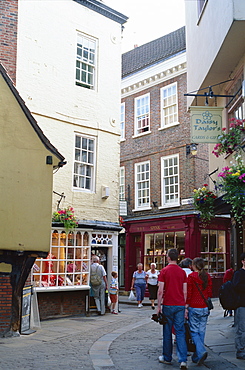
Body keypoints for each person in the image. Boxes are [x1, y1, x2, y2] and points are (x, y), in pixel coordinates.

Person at [157, 248, 188, 370]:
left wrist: (158, 306)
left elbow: (160, 291)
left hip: (168, 304)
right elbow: (185, 291)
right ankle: (183, 360)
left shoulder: (164, 271)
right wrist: (185, 306)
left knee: (167, 331)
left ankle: (167, 357)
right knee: (180, 332)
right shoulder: (182, 272)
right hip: (180, 304)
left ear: (168, 257)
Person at [186, 257, 212, 366]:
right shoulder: (207, 277)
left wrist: (186, 306)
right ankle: (197, 356)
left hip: (194, 306)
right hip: (204, 307)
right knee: (202, 331)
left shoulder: (191, 277)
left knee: (194, 331)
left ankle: (201, 351)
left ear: (194, 265)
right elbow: (210, 292)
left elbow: (189, 293)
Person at [233, 253, 245, 360]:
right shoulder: (239, 274)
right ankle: (240, 351)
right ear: (243, 261)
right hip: (242, 304)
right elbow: (236, 286)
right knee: (241, 329)